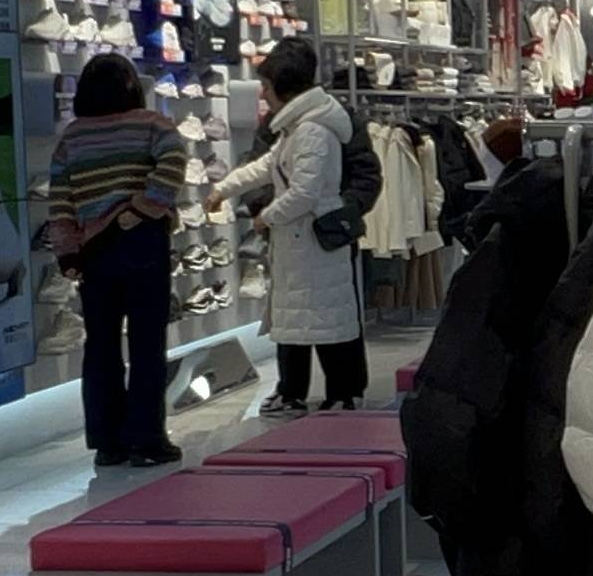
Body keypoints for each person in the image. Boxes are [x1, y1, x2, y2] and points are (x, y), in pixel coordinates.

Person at [42, 52, 185, 467]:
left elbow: (61, 199)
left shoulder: (72, 137)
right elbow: (175, 161)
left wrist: (67, 252)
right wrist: (145, 206)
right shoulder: (152, 124)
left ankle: (107, 442)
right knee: (147, 343)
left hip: (94, 251)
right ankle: (146, 438)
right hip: (142, 241)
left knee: (101, 346)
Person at [217, 35, 366, 414]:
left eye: (266, 87)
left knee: (326, 320)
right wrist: (224, 189)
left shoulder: (312, 130)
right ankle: (304, 392)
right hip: (301, 242)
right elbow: (267, 165)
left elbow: (304, 192)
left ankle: (341, 393)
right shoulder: (296, 128)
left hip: (314, 239)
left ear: (283, 88)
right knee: (303, 318)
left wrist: (265, 217)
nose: (262, 95)